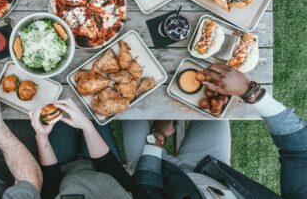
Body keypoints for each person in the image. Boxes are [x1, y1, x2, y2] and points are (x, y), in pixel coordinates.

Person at [122, 64, 307, 198]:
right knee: (211, 98)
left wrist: (158, 135)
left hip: (159, 175)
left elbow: (148, 189)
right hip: (209, 168)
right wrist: (250, 92)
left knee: (126, 104)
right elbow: (299, 152)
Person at [29, 99, 147, 199]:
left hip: (61, 166)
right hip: (101, 166)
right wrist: (87, 127)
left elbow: (51, 181)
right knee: (93, 104)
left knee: (52, 102)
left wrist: (42, 137)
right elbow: (112, 169)